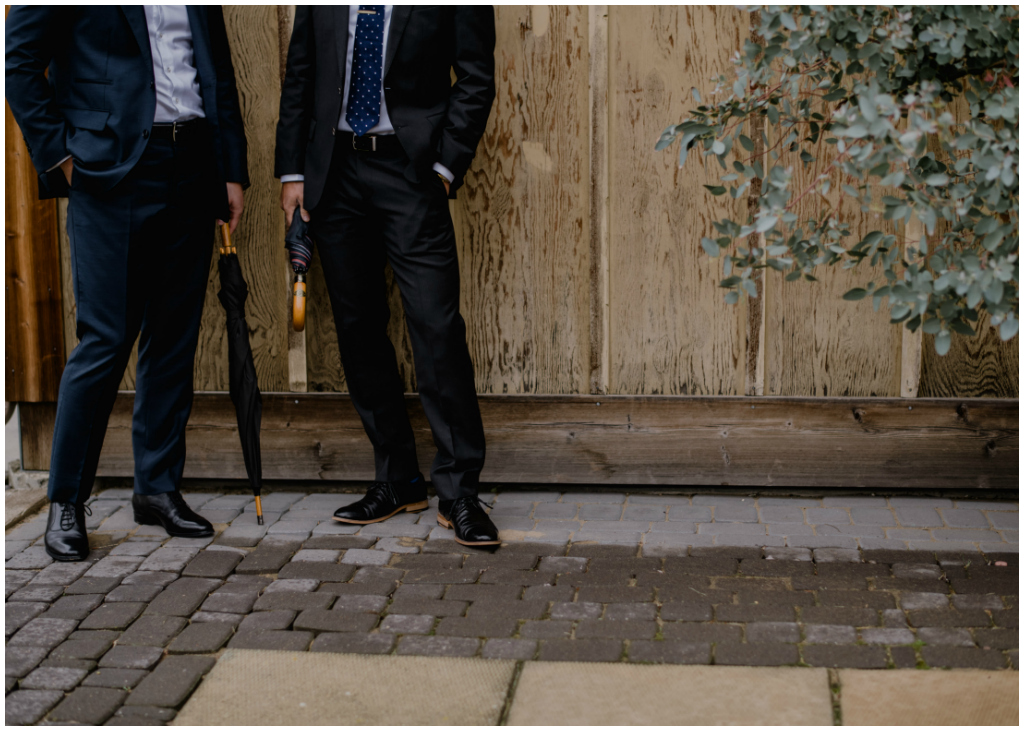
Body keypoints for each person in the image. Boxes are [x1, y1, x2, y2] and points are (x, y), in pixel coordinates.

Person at [6, 5, 249, 561]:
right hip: (109, 170)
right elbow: (16, 62)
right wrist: (61, 157)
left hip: (191, 163)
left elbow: (217, 69)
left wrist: (230, 167)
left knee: (172, 337)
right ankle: (66, 501)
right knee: (105, 340)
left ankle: (157, 489)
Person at [276, 6, 499, 545]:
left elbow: (476, 76)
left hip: (412, 171)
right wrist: (293, 171)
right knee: (358, 328)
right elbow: (302, 72)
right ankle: (398, 478)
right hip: (336, 170)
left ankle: (459, 490)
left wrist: (445, 167)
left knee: (435, 325)